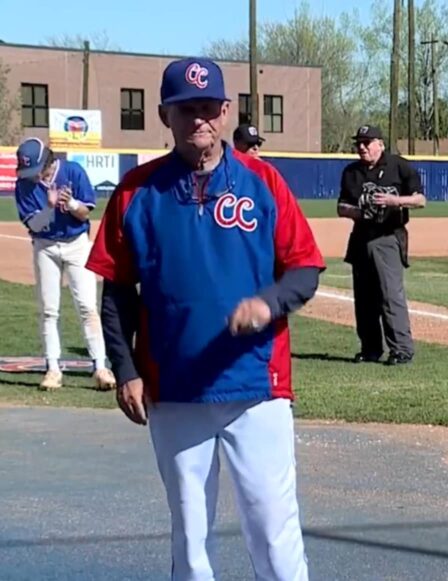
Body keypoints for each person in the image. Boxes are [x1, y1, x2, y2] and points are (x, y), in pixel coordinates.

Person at [85, 57, 325, 580]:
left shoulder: (263, 182)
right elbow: (118, 290)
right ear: (164, 115)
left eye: (208, 108)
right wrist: (124, 368)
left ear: (225, 110)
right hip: (174, 389)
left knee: (273, 530)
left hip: (257, 385)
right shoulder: (135, 192)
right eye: (185, 109)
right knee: (190, 536)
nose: (200, 119)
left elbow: (305, 268)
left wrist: (269, 302)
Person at [13, 137, 116, 392]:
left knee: (87, 307)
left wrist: (69, 204)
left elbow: (86, 212)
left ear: (47, 160)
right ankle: (53, 368)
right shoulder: (23, 185)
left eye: (34, 170)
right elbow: (34, 225)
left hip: (76, 244)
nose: (31, 176)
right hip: (45, 246)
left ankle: (100, 367)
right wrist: (49, 207)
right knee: (49, 310)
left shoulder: (72, 171)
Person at [336, 125, 426, 365]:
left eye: (367, 142)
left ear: (381, 144)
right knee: (364, 298)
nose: (362, 147)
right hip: (361, 237)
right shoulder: (352, 172)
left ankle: (402, 350)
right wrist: (358, 211)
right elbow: (341, 207)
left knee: (389, 295)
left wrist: (394, 201)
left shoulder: (398, 165)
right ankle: (370, 349)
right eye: (359, 143)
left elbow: (420, 200)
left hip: (388, 236)